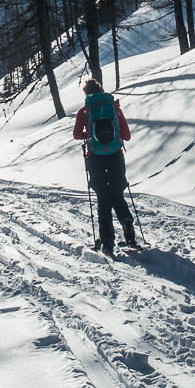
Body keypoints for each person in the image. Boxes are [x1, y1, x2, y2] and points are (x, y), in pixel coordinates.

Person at [73, 76, 135, 255]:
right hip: (116, 155)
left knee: (103, 198)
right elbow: (127, 135)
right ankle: (127, 223)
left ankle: (107, 240)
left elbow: (77, 134)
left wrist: (90, 134)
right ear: (101, 90)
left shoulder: (84, 111)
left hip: (95, 157)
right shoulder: (115, 109)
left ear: (86, 93)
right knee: (116, 193)